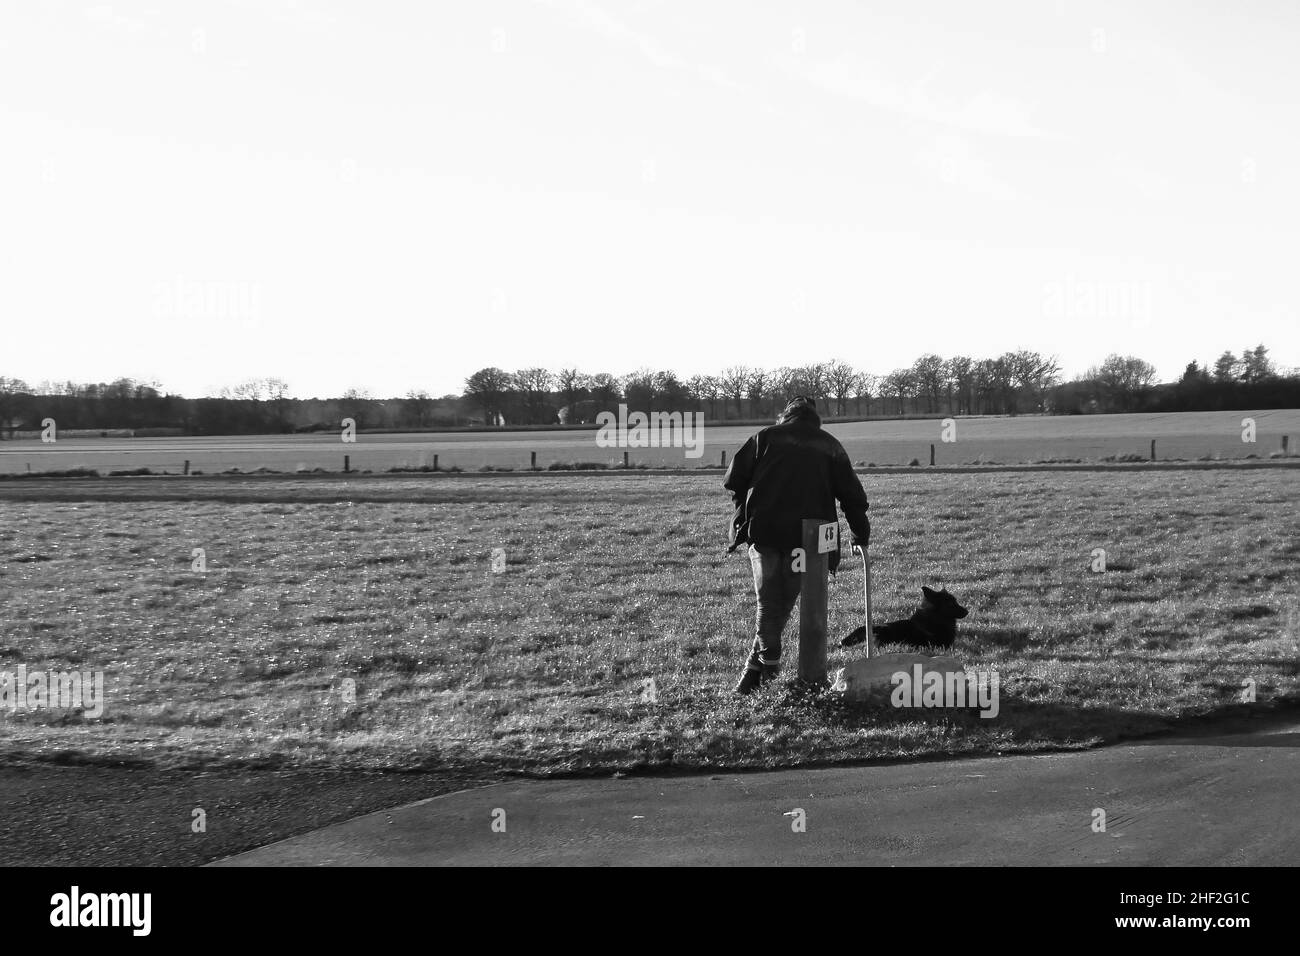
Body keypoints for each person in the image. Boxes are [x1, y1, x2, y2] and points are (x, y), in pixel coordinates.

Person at [723, 396, 870, 694]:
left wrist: (741, 515)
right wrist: (859, 536)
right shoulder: (829, 445)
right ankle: (764, 672)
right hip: (808, 542)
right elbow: (853, 498)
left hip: (765, 532)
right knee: (781, 605)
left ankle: (763, 671)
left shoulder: (764, 437)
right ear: (815, 419)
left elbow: (734, 479)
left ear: (785, 416)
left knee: (768, 603)